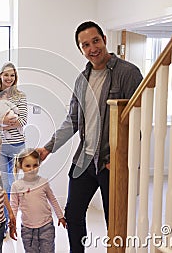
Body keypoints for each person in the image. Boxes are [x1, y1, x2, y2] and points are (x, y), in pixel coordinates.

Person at [37, 21, 143, 252]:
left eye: (95, 41)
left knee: (114, 221)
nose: (92, 48)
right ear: (81, 49)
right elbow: (72, 120)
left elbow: (138, 122)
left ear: (104, 39)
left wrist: (122, 158)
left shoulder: (128, 73)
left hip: (110, 163)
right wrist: (48, 148)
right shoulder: (81, 79)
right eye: (85, 45)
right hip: (84, 161)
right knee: (73, 216)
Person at [0, 62, 28, 230]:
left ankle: (18, 219)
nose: (9, 78)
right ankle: (5, 221)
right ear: (0, 76)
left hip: (18, 145)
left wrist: (2, 124)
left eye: (12, 75)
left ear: (15, 77)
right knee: (5, 184)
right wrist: (4, 122)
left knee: (18, 184)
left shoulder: (20, 96)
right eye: (6, 75)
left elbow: (23, 120)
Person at [10, 148, 67, 253]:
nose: (32, 169)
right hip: (27, 229)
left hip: (46, 226)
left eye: (35, 165)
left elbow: (52, 199)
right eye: (27, 166)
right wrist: (12, 225)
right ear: (20, 166)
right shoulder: (16, 186)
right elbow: (14, 206)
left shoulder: (43, 182)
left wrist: (60, 216)